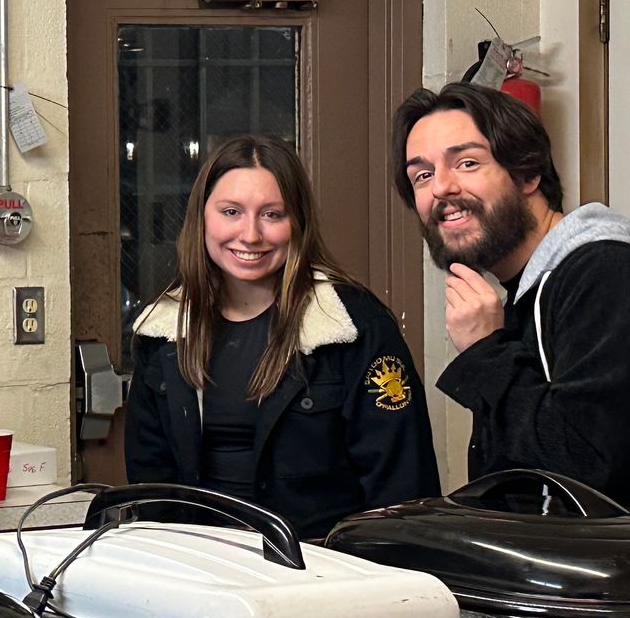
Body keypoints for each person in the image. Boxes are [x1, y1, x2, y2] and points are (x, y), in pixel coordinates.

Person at [125, 135, 439, 538]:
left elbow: (403, 493)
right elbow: (150, 493)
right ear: (202, 218)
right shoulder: (161, 332)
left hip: (325, 578)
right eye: (231, 212)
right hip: (200, 576)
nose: (250, 235)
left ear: (298, 223)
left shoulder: (355, 326)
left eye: (272, 215)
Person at [396, 82, 630, 499]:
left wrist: (487, 352)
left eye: (467, 163)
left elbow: (593, 473)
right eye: (423, 175)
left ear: (527, 172)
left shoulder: (604, 271)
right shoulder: (523, 292)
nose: (441, 189)